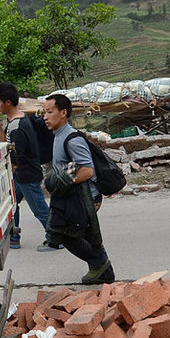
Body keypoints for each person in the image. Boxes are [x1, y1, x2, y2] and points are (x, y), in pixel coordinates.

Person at [42, 94, 115, 284]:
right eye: (44, 112)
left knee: (65, 234)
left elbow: (87, 171)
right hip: (74, 196)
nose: (45, 116)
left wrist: (59, 180)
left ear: (63, 113)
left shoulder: (72, 138)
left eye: (50, 112)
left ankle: (99, 264)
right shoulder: (58, 135)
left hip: (86, 197)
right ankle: (104, 271)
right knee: (86, 234)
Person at [0, 82, 58, 252]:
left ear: (7, 102)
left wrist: (8, 169)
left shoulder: (18, 126)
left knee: (40, 209)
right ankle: (14, 237)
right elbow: (8, 142)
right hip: (21, 175)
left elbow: (15, 156)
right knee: (12, 205)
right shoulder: (16, 121)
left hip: (26, 174)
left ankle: (56, 239)